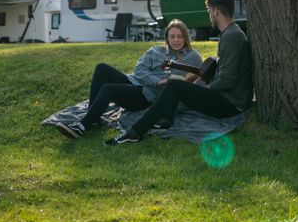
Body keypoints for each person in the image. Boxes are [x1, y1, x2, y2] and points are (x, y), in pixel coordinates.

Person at [105, 0, 253, 145]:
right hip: (227, 98)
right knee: (176, 86)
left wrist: (203, 89)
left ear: (216, 11)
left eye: (209, 11)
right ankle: (161, 120)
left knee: (175, 86)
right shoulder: (230, 34)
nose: (209, 15)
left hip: (231, 104)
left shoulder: (232, 36)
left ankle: (136, 132)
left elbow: (228, 80)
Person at [54, 19, 203, 139]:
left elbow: (197, 79)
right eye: (172, 36)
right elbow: (139, 70)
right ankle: (93, 117)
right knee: (102, 68)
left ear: (185, 37)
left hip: (147, 96)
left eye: (180, 36)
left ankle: (82, 126)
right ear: (167, 38)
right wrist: (157, 80)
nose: (176, 40)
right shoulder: (156, 51)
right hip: (135, 83)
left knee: (108, 89)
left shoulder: (193, 57)